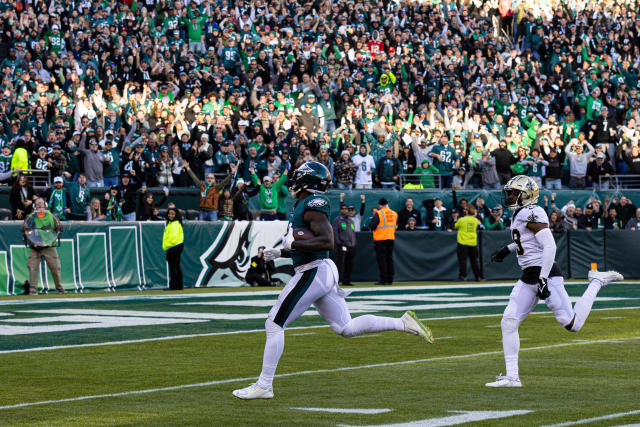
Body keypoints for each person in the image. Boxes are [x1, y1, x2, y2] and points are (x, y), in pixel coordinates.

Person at [232, 161, 433, 400]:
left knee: (275, 323)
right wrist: (282, 252)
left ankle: (264, 384)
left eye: (299, 176)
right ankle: (402, 323)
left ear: (308, 181)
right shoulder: (304, 205)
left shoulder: (312, 204)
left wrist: (293, 245)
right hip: (321, 270)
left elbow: (327, 242)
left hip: (314, 270)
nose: (294, 180)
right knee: (345, 328)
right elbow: (307, 243)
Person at [487, 175, 624, 388]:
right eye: (510, 192)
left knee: (573, 324)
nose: (510, 196)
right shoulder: (520, 214)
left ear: (527, 195)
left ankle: (597, 281)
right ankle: (512, 377)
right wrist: (508, 249)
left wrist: (542, 279)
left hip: (545, 273)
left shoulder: (533, 212)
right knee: (509, 321)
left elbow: (549, 246)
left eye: (514, 193)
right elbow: (525, 240)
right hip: (528, 275)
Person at [21, 198, 65, 295]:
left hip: (49, 245)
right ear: (34, 206)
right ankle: (33, 289)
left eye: (41, 204)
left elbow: (60, 229)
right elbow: (24, 230)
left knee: (55, 267)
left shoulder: (52, 216)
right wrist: (26, 228)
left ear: (45, 205)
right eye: (37, 204)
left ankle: (59, 287)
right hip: (35, 246)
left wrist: (59, 226)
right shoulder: (30, 217)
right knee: (32, 267)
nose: (39, 206)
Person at [371, 198, 398, 286]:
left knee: (382, 260)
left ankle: (383, 279)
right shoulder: (394, 213)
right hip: (390, 238)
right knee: (389, 259)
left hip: (380, 239)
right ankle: (390, 279)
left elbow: (373, 226)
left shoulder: (379, 213)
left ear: (380, 205)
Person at [454, 205, 483, 281]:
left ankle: (463, 276)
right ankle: (478, 277)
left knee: (462, 261)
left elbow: (455, 226)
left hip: (462, 242)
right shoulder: (475, 220)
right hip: (473, 243)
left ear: (466, 211)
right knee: (474, 261)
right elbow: (480, 225)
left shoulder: (461, 219)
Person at [332, 204, 357, 287]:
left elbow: (352, 233)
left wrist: (354, 243)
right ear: (340, 210)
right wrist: (339, 243)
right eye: (343, 209)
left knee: (349, 264)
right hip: (342, 245)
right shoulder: (337, 220)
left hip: (351, 246)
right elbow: (335, 232)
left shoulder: (351, 220)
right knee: (340, 264)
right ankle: (338, 281)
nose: (345, 210)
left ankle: (347, 281)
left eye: (346, 209)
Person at [162, 207, 184, 290]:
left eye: (172, 214)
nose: (170, 215)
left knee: (173, 267)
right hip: (176, 246)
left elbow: (172, 238)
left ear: (176, 215)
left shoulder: (174, 224)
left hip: (173, 247)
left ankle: (174, 286)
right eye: (169, 214)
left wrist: (167, 247)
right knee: (176, 266)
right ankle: (179, 285)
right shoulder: (173, 223)